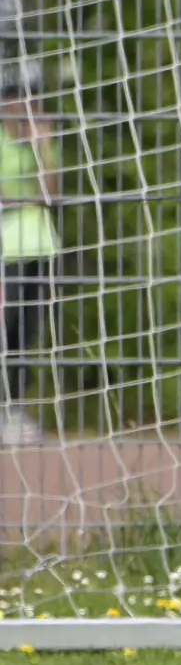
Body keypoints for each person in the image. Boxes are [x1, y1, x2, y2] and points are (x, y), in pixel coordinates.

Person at [0, 75, 58, 445]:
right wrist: (26, 199)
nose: (28, 110)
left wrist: (41, 148)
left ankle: (14, 408)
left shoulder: (40, 143)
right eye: (21, 102)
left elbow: (50, 193)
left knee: (27, 331)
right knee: (5, 330)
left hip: (40, 246)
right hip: (6, 249)